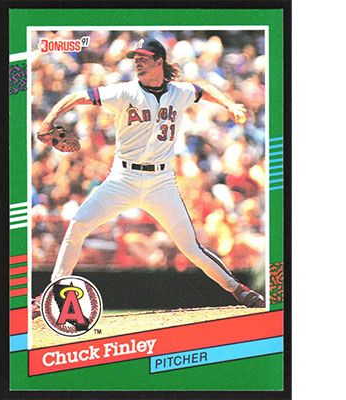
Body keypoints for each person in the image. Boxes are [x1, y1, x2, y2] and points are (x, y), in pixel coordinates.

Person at [33, 38, 265, 319]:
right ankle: (53, 294)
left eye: (144, 58)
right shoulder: (124, 92)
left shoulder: (179, 92)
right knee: (78, 224)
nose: (138, 63)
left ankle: (238, 290)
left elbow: (204, 90)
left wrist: (230, 105)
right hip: (123, 179)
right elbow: (77, 97)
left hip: (161, 183)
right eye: (136, 58)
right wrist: (49, 121)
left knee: (190, 247)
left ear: (159, 62)